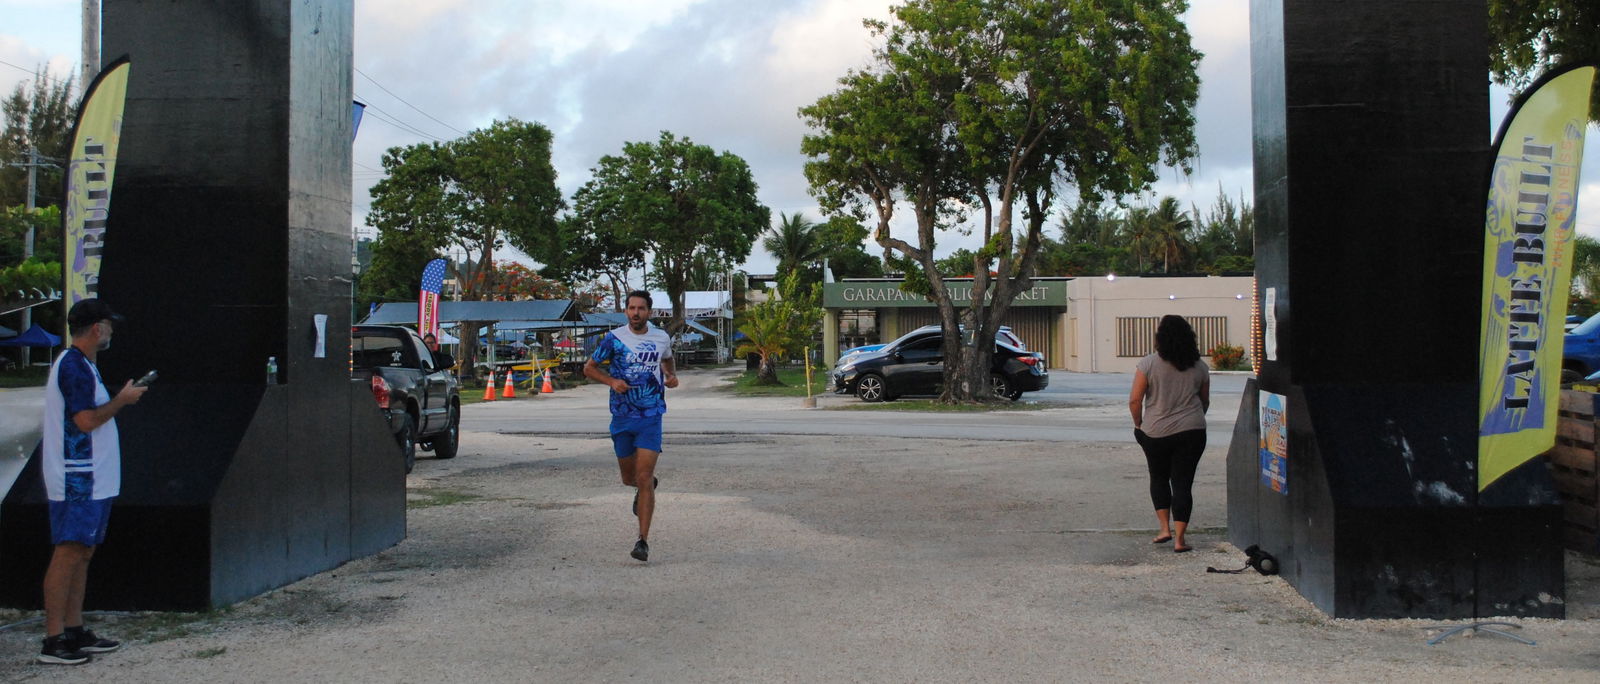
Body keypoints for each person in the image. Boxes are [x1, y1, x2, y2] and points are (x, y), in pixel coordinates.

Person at [37, 299, 147, 665]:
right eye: (109, 325)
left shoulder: (83, 365)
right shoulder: (73, 367)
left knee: (83, 552)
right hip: (77, 475)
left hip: (92, 476)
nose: (112, 331)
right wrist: (122, 400)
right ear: (97, 328)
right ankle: (53, 638)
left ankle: (74, 628)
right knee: (69, 551)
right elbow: (84, 421)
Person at [584, 290, 677, 562]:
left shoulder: (661, 337)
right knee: (630, 478)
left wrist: (671, 376)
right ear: (626, 311)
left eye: (641, 308)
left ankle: (642, 541)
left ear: (650, 312)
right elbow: (589, 368)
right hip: (622, 416)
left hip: (651, 416)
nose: (636, 313)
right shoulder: (614, 339)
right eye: (631, 308)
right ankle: (640, 487)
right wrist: (612, 382)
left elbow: (668, 360)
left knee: (645, 476)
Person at [1128, 314, 1210, 554]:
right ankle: (1180, 540)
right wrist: (1194, 417)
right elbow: (1205, 401)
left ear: (1160, 337)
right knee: (1183, 483)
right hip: (1192, 431)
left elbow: (1135, 400)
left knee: (1159, 478)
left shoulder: (1148, 364)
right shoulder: (1200, 366)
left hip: (1155, 431)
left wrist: (1139, 425)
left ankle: (1164, 529)